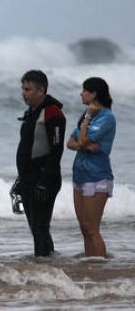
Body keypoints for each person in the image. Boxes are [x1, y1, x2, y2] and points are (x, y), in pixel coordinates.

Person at [14, 70, 66, 256]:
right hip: (29, 178)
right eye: (23, 88)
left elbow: (56, 150)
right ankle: (47, 265)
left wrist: (45, 181)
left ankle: (45, 266)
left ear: (41, 90)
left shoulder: (53, 112)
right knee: (36, 228)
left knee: (40, 227)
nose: (23, 93)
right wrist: (21, 178)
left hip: (45, 179)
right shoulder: (32, 112)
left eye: (27, 89)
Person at [66, 77, 116, 258]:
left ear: (94, 93)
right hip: (79, 175)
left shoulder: (106, 117)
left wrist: (87, 119)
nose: (82, 93)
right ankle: (90, 265)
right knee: (84, 228)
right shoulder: (86, 116)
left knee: (92, 228)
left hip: (97, 176)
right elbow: (70, 143)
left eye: (85, 90)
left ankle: (100, 267)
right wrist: (84, 145)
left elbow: (83, 139)